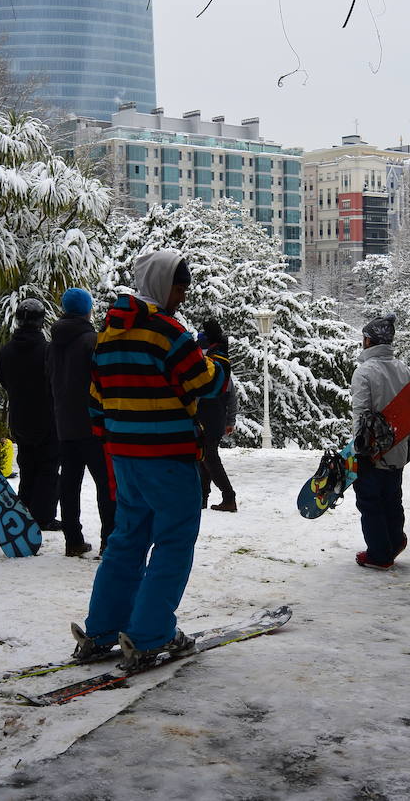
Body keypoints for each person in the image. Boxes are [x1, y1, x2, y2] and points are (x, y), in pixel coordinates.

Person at [71, 250, 231, 668]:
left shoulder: (108, 332)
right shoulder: (165, 330)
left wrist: (116, 442)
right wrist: (219, 354)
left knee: (127, 540)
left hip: (125, 456)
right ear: (162, 284)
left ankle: (102, 630)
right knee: (174, 543)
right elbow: (206, 383)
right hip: (168, 455)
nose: (182, 295)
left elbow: (95, 400)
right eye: (179, 286)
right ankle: (149, 635)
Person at [47, 288, 116, 557]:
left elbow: (48, 380)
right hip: (94, 424)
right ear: (88, 309)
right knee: (106, 485)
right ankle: (108, 540)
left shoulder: (53, 345)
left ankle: (73, 540)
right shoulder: (93, 341)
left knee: (69, 484)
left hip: (64, 423)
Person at [351, 313, 410, 570]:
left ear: (369, 341)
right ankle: (394, 540)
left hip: (372, 450)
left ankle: (379, 554)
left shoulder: (364, 372)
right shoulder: (404, 369)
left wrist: (360, 451)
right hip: (399, 446)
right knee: (392, 497)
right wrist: (409, 442)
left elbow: (362, 414)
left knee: (369, 500)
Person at [0, 299, 60, 530]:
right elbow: (55, 382)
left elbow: (3, 380)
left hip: (19, 417)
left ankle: (24, 512)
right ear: (41, 321)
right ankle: (42, 517)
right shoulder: (47, 351)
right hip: (46, 417)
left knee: (27, 465)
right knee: (48, 467)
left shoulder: (6, 351)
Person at [197, 320, 237, 512]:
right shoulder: (221, 356)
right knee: (205, 457)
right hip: (215, 416)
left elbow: (220, 391)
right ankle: (203, 497)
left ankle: (228, 496)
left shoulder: (215, 359)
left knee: (209, 457)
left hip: (210, 416)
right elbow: (231, 394)